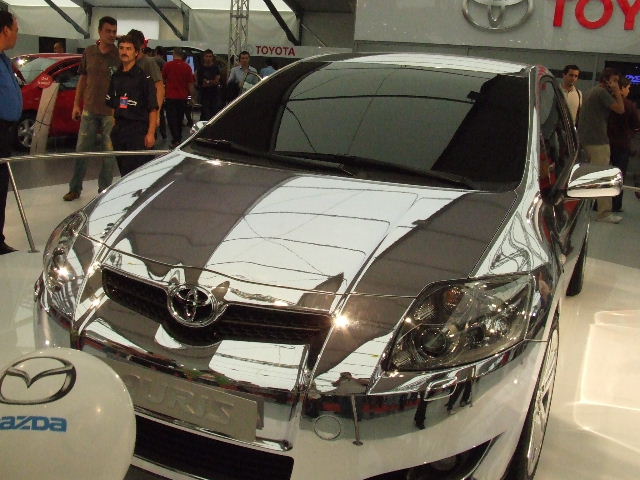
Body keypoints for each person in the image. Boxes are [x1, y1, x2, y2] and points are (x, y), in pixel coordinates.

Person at [63, 16, 119, 201]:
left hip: (110, 113)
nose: (112, 35)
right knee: (81, 151)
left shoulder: (118, 55)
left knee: (109, 155)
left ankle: (104, 191)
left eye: (114, 31)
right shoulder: (89, 52)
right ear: (99, 31)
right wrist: (76, 104)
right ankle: (75, 188)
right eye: (108, 31)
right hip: (89, 110)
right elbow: (83, 79)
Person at [106, 35, 158, 176]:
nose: (124, 52)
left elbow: (153, 108)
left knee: (138, 174)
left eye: (128, 49)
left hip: (138, 132)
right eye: (121, 48)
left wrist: (151, 133)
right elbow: (112, 105)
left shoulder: (144, 79)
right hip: (120, 131)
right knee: (124, 173)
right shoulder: (115, 77)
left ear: (136, 52)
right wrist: (114, 129)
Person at [578, 67, 625, 223]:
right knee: (604, 176)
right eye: (614, 80)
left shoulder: (591, 91)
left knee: (587, 175)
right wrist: (617, 91)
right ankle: (604, 213)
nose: (616, 83)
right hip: (598, 140)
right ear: (606, 80)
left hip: (586, 139)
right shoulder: (602, 93)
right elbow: (620, 109)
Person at [0, 11, 21, 255]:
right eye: (15, 30)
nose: (17, 34)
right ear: (5, 29)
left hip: (6, 132)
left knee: (1, 186)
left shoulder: (4, 59)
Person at [608, 76, 640, 213]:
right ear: (621, 88)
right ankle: (615, 204)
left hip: (605, 142)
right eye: (628, 88)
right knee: (618, 175)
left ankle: (598, 203)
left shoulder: (607, 102)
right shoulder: (629, 105)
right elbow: (636, 124)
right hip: (622, 144)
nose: (629, 90)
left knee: (603, 173)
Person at [126, 30, 164, 138]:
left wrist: (157, 114)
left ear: (141, 46)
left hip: (144, 117)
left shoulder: (149, 63)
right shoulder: (126, 63)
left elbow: (160, 88)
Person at [162, 47, 195, 148]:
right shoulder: (187, 67)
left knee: (171, 119)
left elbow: (163, 80)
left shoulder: (167, 65)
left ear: (174, 54)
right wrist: (192, 97)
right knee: (179, 119)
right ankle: (178, 139)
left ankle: (175, 139)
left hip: (170, 97)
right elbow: (190, 84)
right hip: (182, 98)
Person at [196, 49, 220, 121]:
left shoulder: (216, 68)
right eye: (207, 56)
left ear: (212, 57)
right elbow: (201, 83)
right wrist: (211, 82)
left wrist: (208, 81)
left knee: (214, 113)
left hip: (214, 94)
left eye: (210, 56)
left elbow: (216, 81)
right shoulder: (200, 68)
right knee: (205, 113)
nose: (208, 58)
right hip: (204, 94)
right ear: (204, 57)